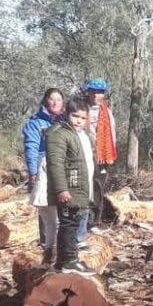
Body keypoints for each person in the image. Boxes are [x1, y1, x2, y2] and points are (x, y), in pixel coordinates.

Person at [45, 97, 96, 275]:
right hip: (68, 189)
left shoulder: (83, 135)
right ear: (67, 114)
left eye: (83, 118)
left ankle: (62, 261)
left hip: (80, 188)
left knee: (73, 222)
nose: (78, 121)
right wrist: (61, 189)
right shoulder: (59, 134)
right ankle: (69, 260)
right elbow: (55, 164)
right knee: (68, 224)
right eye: (75, 116)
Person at [23, 88, 64, 266]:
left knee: (63, 213)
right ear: (45, 101)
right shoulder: (35, 122)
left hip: (62, 169)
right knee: (47, 212)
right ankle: (48, 251)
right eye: (51, 99)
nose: (55, 102)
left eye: (59, 99)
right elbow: (31, 147)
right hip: (44, 169)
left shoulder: (67, 120)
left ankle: (62, 252)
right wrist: (33, 172)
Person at [81, 78, 117, 236]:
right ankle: (80, 221)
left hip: (101, 157)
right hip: (82, 155)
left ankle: (93, 222)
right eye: (94, 91)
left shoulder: (107, 113)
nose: (97, 95)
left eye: (100, 92)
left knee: (97, 189)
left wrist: (109, 156)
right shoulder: (81, 109)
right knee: (82, 188)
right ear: (88, 92)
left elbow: (112, 135)